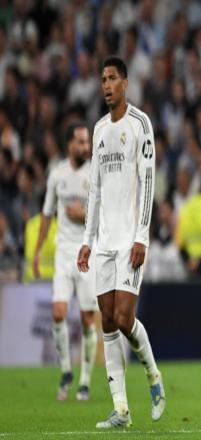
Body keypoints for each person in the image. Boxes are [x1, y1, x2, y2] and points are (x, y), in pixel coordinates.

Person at [77, 56, 165, 428]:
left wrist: (142, 235)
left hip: (130, 239)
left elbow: (148, 181)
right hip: (103, 242)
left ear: (125, 83)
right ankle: (121, 410)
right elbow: (94, 190)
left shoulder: (140, 124)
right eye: (103, 80)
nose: (107, 85)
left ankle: (153, 375)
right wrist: (87, 240)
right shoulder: (99, 130)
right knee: (108, 322)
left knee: (125, 318)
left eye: (112, 78)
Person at [33, 123, 98, 402]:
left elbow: (105, 213)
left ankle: (84, 381)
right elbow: (47, 213)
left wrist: (84, 214)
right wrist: (37, 252)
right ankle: (66, 371)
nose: (86, 147)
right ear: (70, 144)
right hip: (63, 253)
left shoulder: (95, 174)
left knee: (87, 318)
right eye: (81, 142)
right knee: (58, 313)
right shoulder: (57, 175)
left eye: (87, 142)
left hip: (87, 252)